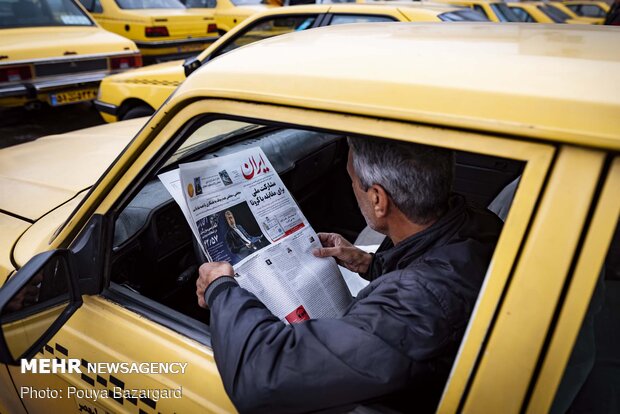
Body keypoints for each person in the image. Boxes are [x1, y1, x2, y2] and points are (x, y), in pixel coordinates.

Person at [196, 137, 503, 413]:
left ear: (378, 200)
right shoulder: (475, 222)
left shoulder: (415, 305)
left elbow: (264, 376)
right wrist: (370, 264)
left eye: (353, 181)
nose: (352, 188)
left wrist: (221, 288)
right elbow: (431, 268)